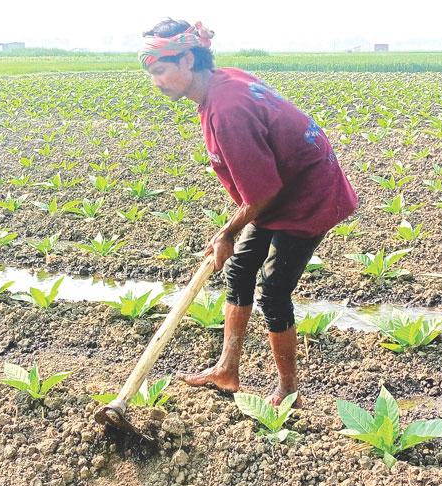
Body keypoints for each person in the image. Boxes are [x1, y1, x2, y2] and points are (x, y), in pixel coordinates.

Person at [139, 19, 358, 406]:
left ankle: (289, 391)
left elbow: (263, 191)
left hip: (307, 195)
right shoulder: (220, 84)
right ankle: (227, 371)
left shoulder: (227, 110)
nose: (156, 82)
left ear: (187, 59)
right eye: (151, 73)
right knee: (239, 270)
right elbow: (261, 183)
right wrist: (231, 231)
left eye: (161, 70)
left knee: (273, 291)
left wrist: (226, 233)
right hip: (281, 187)